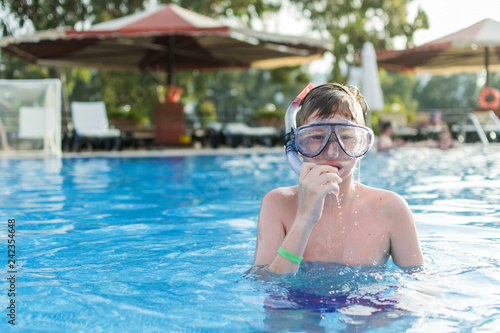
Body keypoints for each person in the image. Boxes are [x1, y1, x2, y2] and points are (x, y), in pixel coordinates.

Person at [253, 83, 424, 274]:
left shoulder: (391, 209)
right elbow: (266, 287)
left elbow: (419, 288)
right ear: (297, 145)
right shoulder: (278, 204)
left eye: (348, 136)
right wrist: (304, 219)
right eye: (317, 136)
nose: (333, 151)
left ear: (362, 144)